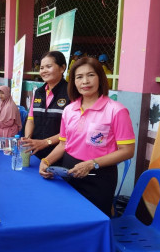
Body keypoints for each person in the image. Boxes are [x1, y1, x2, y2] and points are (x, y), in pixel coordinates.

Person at [39, 57, 135, 217]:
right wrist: (46, 161)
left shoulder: (116, 110)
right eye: (79, 77)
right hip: (69, 171)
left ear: (100, 78)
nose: (85, 81)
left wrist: (92, 164)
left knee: (95, 220)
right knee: (69, 217)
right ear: (73, 82)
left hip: (99, 175)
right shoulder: (69, 110)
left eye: (90, 75)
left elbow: (127, 151)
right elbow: (64, 144)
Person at [21, 51, 70, 159]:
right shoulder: (39, 92)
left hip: (59, 154)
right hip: (36, 151)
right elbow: (31, 119)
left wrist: (45, 142)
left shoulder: (71, 93)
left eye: (48, 66)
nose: (44, 71)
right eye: (42, 68)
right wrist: (28, 140)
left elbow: (71, 130)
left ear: (62, 68)